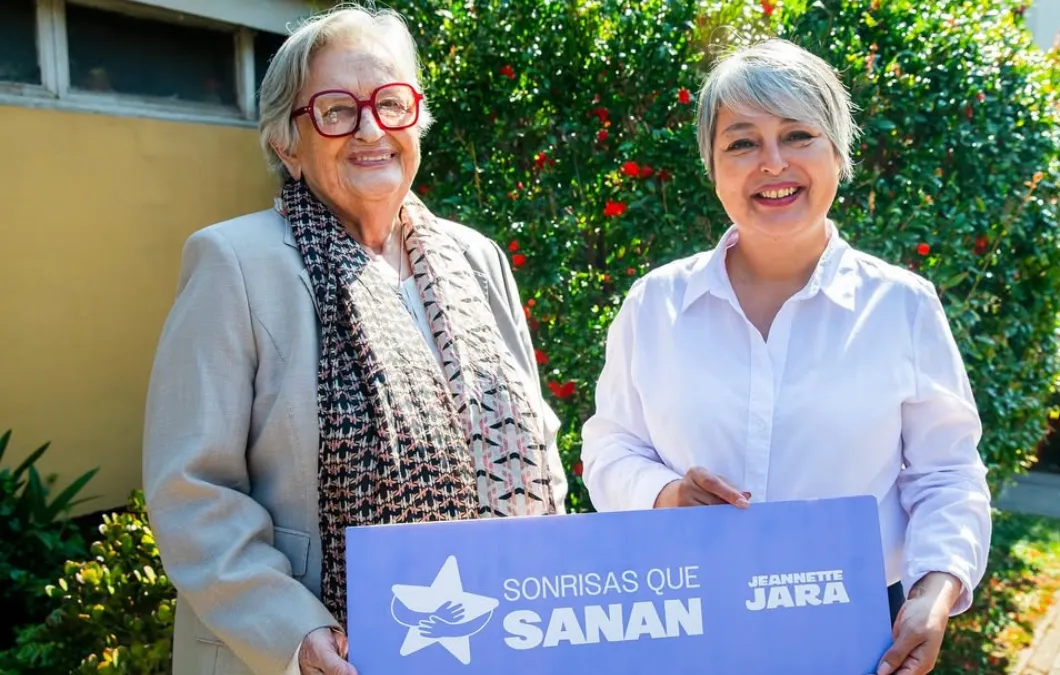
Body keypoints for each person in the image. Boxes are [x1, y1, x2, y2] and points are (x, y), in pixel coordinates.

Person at [141, 7, 567, 675]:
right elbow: (194, 488)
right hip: (318, 655)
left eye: (392, 104)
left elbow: (533, 441)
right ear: (288, 144)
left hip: (488, 635)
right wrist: (293, 630)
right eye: (337, 110)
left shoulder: (475, 259)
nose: (372, 129)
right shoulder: (235, 263)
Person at [579, 39, 992, 675]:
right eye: (741, 142)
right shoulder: (654, 304)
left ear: (837, 152)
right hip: (681, 619)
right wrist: (664, 494)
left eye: (798, 135)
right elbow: (609, 448)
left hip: (852, 627)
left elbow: (946, 473)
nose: (772, 163)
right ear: (712, 166)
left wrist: (934, 590)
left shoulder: (902, 307)